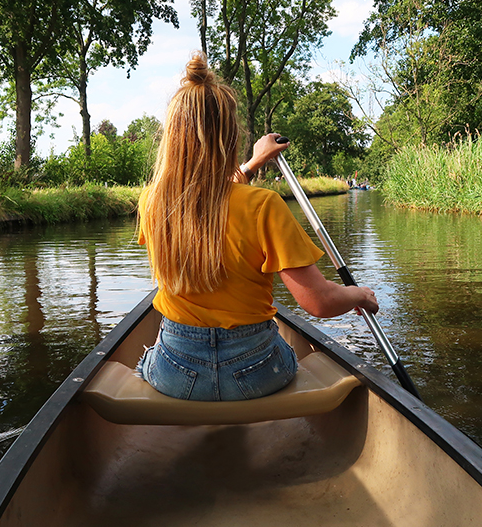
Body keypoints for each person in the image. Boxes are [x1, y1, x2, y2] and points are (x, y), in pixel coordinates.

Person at [136, 52, 378, 402]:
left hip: (176, 372)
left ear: (172, 137)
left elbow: (204, 198)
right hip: (258, 371)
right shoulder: (262, 206)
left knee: (152, 351)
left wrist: (251, 165)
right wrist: (360, 295)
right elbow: (320, 302)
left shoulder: (152, 202)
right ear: (229, 135)